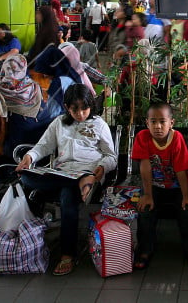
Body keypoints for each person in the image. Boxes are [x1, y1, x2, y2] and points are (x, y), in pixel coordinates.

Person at [16, 83, 116, 276]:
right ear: (67, 107)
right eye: (74, 109)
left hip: (89, 171)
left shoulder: (98, 125)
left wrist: (100, 169)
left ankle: (67, 256)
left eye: (84, 108)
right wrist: (29, 158)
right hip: (63, 173)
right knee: (26, 178)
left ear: (91, 106)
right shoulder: (59, 123)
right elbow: (43, 146)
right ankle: (78, 184)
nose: (80, 114)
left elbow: (110, 156)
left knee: (67, 198)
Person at [132, 102, 188, 270]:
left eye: (162, 121)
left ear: (171, 123)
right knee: (144, 210)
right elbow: (145, 166)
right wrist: (147, 194)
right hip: (154, 186)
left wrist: (186, 195)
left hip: (178, 186)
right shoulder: (143, 137)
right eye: (153, 121)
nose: (157, 126)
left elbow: (181, 170)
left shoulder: (177, 138)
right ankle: (145, 249)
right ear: (147, 122)